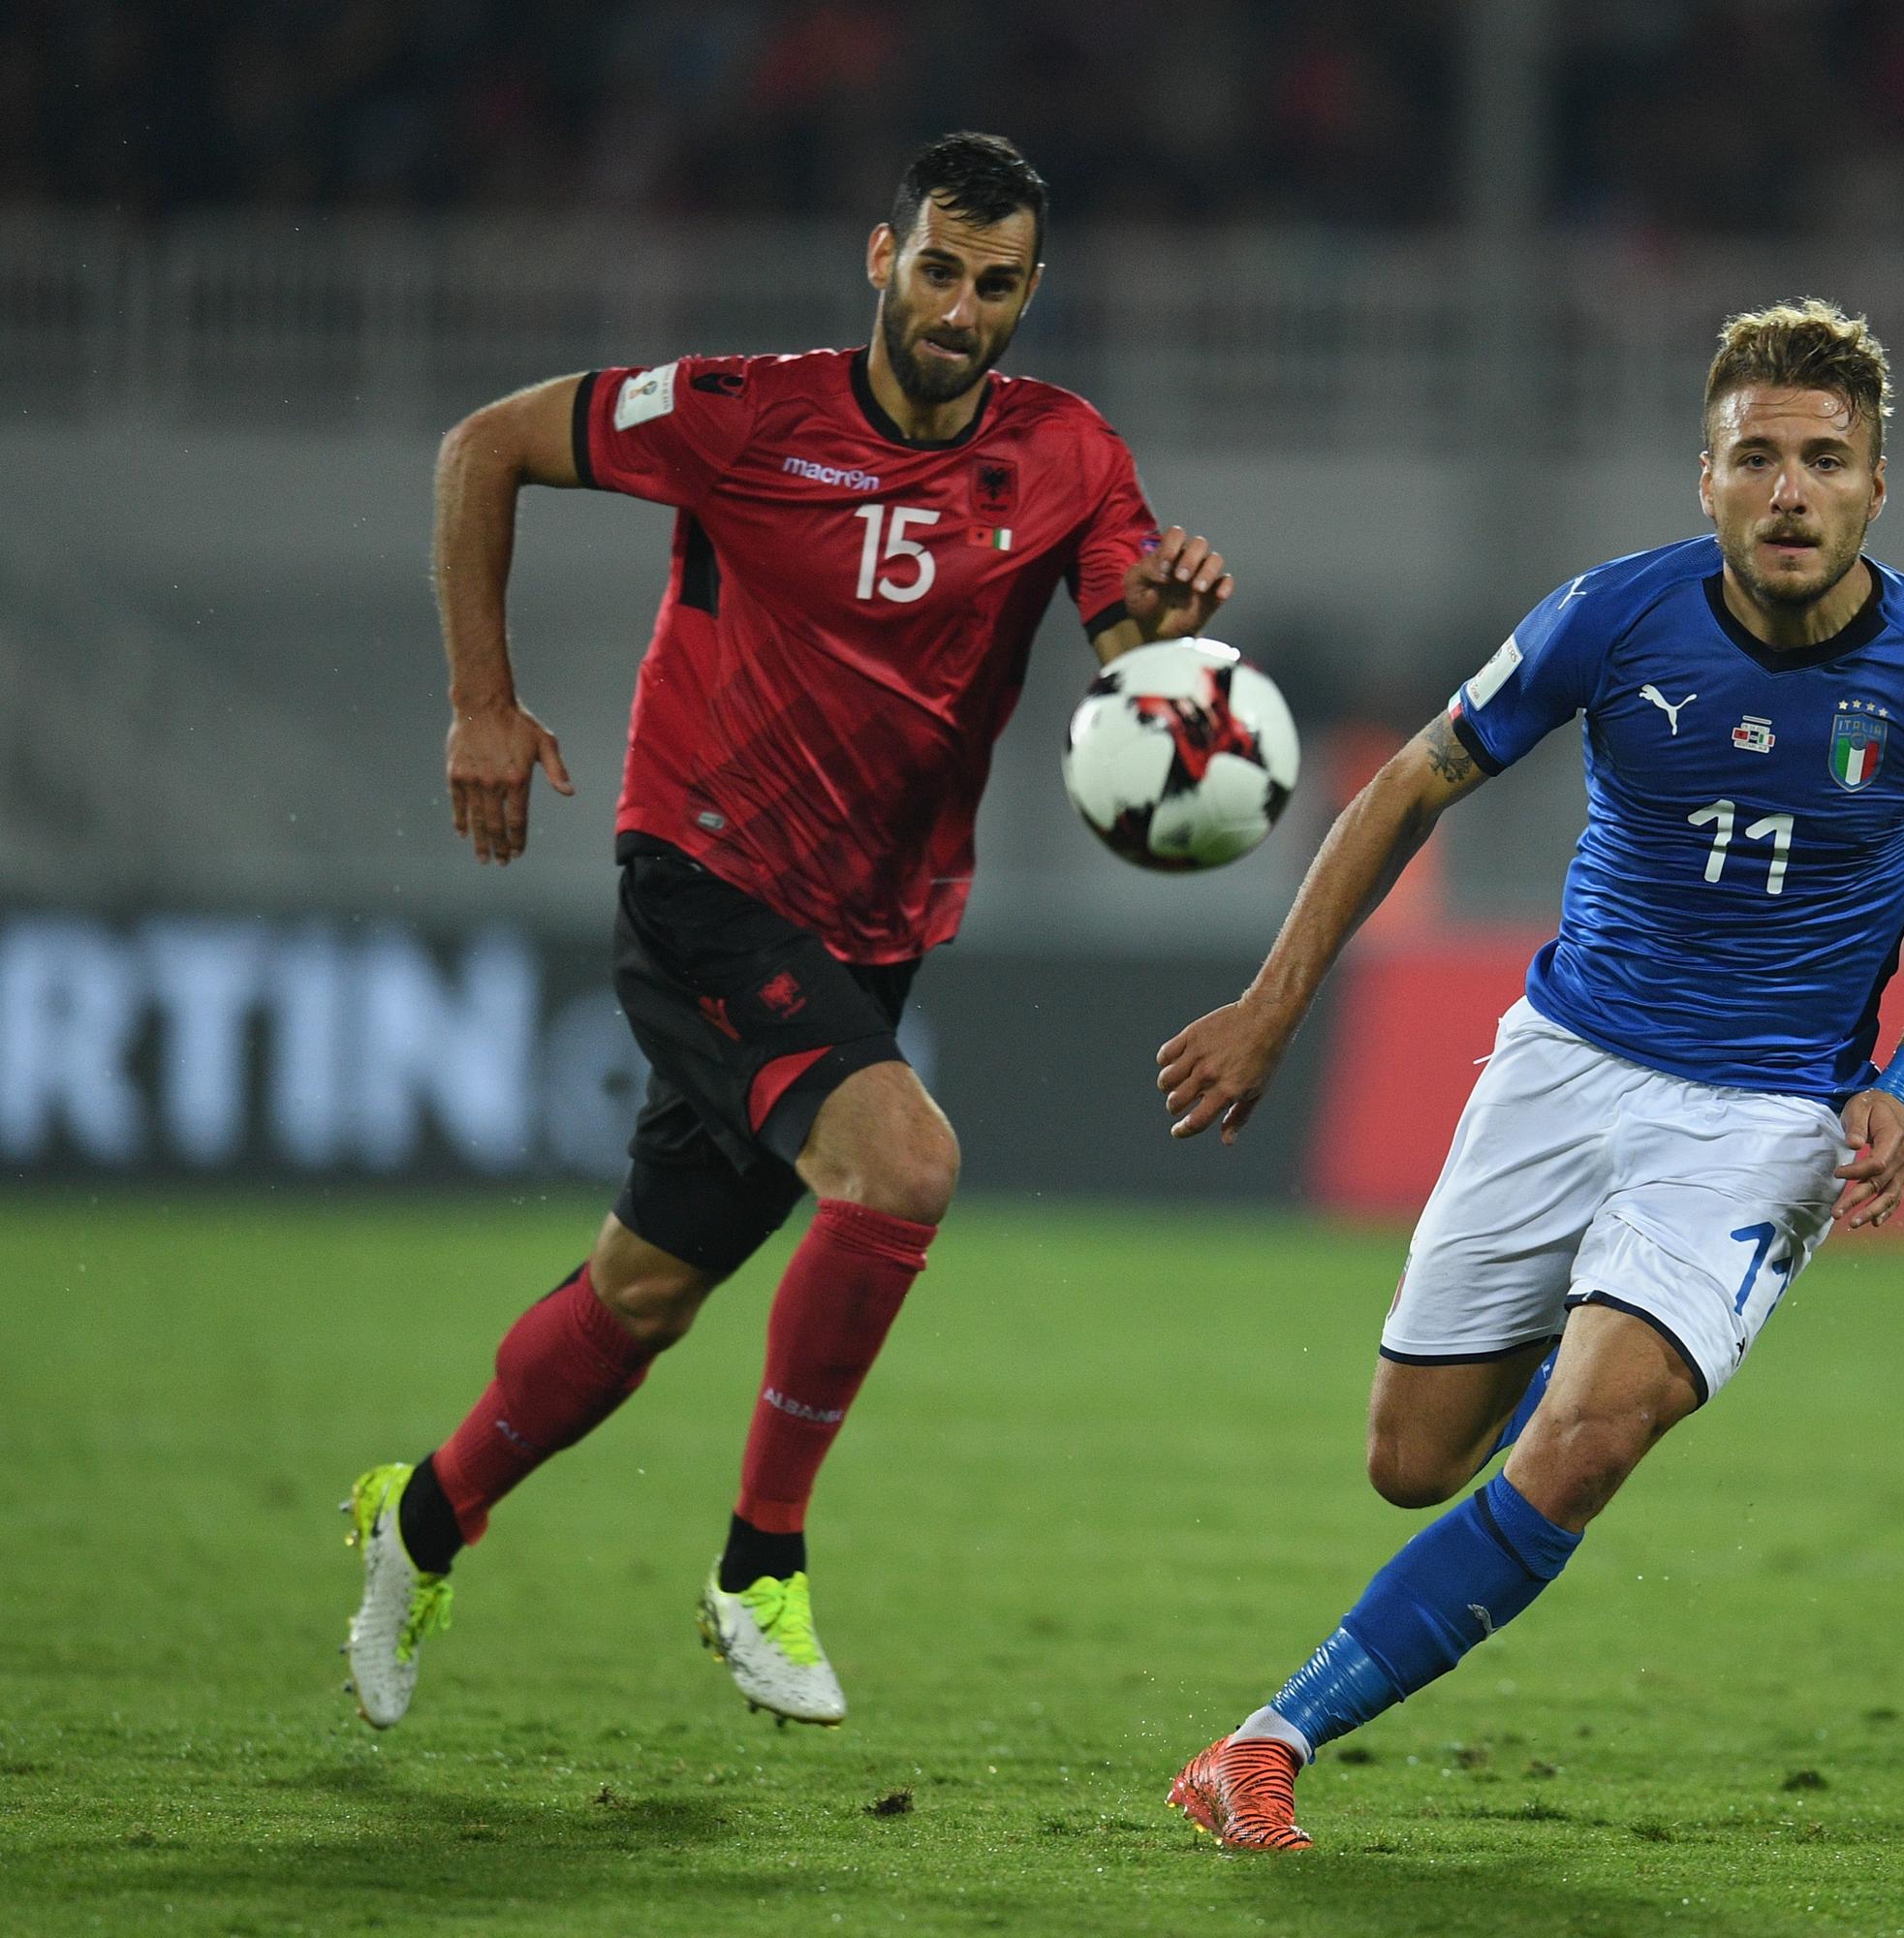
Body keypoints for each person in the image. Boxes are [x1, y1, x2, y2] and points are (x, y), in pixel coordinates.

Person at [339, 133, 1233, 1730]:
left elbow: (1127, 663)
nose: (963, 308)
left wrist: (1169, 631)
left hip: (872, 926)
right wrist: (482, 700)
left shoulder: (1070, 455)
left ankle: (418, 1524)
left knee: (645, 1293)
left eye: (999, 282)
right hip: (700, 873)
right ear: (880, 260)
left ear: (1035, 292)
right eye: (941, 268)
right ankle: (760, 1566)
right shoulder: (742, 414)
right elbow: (481, 448)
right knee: (906, 1166)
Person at [1150, 299, 1904, 1849]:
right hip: (1563, 1068)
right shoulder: (1612, 621)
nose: (1788, 491)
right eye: (1754, 458)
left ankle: (1264, 1743)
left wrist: (1903, 1079)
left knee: (1586, 1443)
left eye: (1825, 462)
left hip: (1767, 1122)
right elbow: (1410, 783)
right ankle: (1569, 1387)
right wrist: (1275, 1004)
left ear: (1876, 489)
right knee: (1410, 1463)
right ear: (1701, 478)